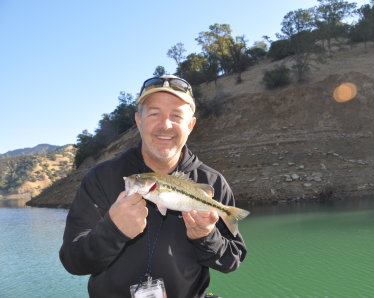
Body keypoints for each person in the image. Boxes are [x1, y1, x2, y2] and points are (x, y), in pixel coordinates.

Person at [59, 75, 247, 297]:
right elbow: (73, 261)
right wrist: (113, 231)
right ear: (139, 121)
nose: (165, 125)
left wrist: (206, 236)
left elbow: (231, 260)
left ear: (190, 125)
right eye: (154, 114)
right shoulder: (100, 178)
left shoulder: (212, 182)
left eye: (176, 115)